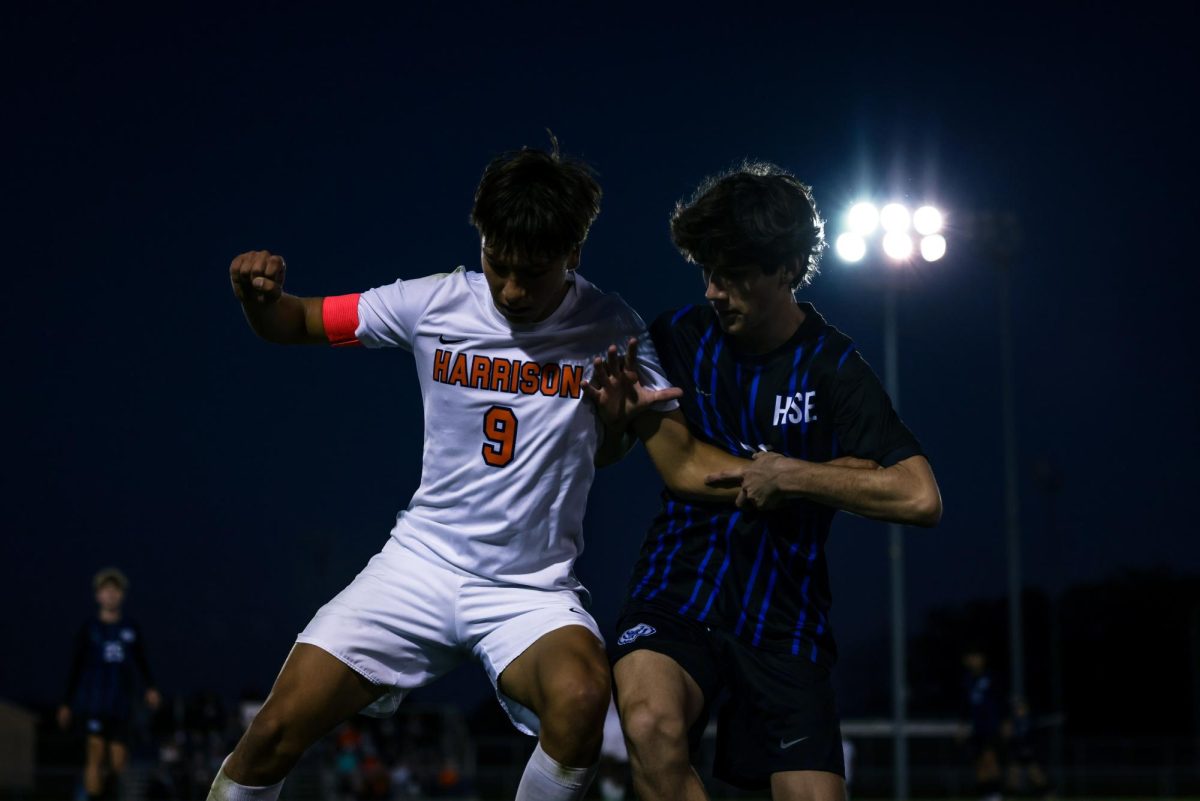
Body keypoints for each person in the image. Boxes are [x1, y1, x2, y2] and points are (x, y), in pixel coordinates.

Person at [208, 142, 740, 801]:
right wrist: (260, 299)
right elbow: (301, 320)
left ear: (573, 254)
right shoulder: (431, 302)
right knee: (273, 729)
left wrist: (620, 422)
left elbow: (624, 454)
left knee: (581, 696)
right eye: (498, 264)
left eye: (533, 272)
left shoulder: (614, 328)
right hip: (419, 566)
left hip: (529, 589)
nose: (511, 289)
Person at [592, 163, 942, 801]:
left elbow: (919, 494)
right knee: (648, 725)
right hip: (676, 589)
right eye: (707, 272)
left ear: (786, 269)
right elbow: (635, 455)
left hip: (785, 617)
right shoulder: (678, 336)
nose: (715, 292)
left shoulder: (834, 366)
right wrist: (615, 429)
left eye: (734, 276)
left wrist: (796, 476)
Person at [59, 567, 161, 800]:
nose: (111, 595)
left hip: (121, 703)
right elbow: (75, 667)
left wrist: (150, 687)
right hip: (94, 702)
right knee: (94, 753)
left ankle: (112, 794)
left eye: (115, 590)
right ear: (98, 595)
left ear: (122, 595)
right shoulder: (89, 629)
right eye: (106, 590)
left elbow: (142, 660)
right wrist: (66, 703)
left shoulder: (130, 628)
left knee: (118, 760)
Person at [961, 647, 1005, 801]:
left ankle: (996, 794)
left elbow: (1001, 700)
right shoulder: (967, 680)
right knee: (979, 763)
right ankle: (986, 794)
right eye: (970, 657)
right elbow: (965, 707)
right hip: (976, 728)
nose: (973, 660)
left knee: (990, 759)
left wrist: (1005, 721)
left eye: (976, 657)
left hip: (991, 726)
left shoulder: (991, 677)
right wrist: (962, 727)